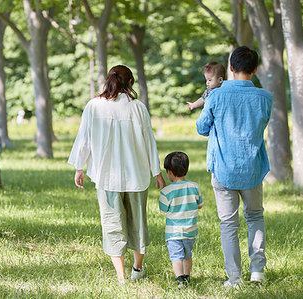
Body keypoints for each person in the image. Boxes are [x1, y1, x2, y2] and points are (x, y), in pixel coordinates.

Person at [68, 65, 166, 282]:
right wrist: (157, 172)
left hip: (106, 177)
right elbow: (150, 141)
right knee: (138, 224)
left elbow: (83, 138)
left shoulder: (94, 106)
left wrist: (79, 167)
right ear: (130, 83)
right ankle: (137, 271)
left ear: (108, 81)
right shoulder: (138, 108)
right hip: (137, 176)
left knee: (113, 225)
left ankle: (121, 278)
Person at [196, 46, 272, 288]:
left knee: (229, 224)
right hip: (253, 169)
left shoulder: (216, 96)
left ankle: (234, 278)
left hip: (224, 170)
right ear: (255, 69)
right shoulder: (265, 97)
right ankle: (257, 272)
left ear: (230, 67)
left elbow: (201, 128)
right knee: (255, 217)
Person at [159, 152, 203, 287]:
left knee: (176, 257)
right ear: (187, 170)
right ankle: (187, 277)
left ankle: (180, 279)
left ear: (169, 172)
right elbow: (200, 205)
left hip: (174, 233)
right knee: (187, 255)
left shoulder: (167, 191)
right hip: (190, 231)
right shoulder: (194, 186)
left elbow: (163, 209)